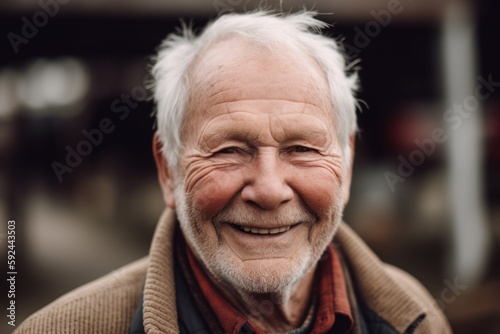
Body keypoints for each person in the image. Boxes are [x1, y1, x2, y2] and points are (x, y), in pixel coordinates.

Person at [15, 11, 451, 334]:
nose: (268, 189)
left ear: (348, 164)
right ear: (168, 171)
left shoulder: (415, 315)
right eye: (229, 150)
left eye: (300, 149)